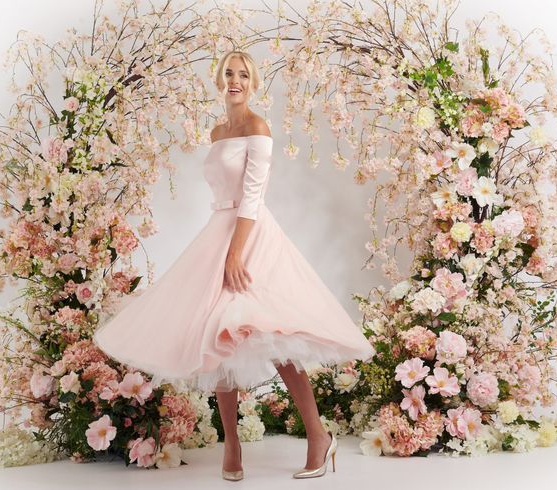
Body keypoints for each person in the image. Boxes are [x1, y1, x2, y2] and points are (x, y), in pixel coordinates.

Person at [92, 50, 376, 480]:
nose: (235, 80)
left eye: (243, 74)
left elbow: (254, 195)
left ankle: (318, 435)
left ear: (254, 82)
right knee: (217, 333)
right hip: (218, 230)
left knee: (273, 333)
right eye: (228, 74)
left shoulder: (257, 127)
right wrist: (223, 247)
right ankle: (233, 446)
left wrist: (235, 254)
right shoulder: (217, 130)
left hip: (250, 235)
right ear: (218, 80)